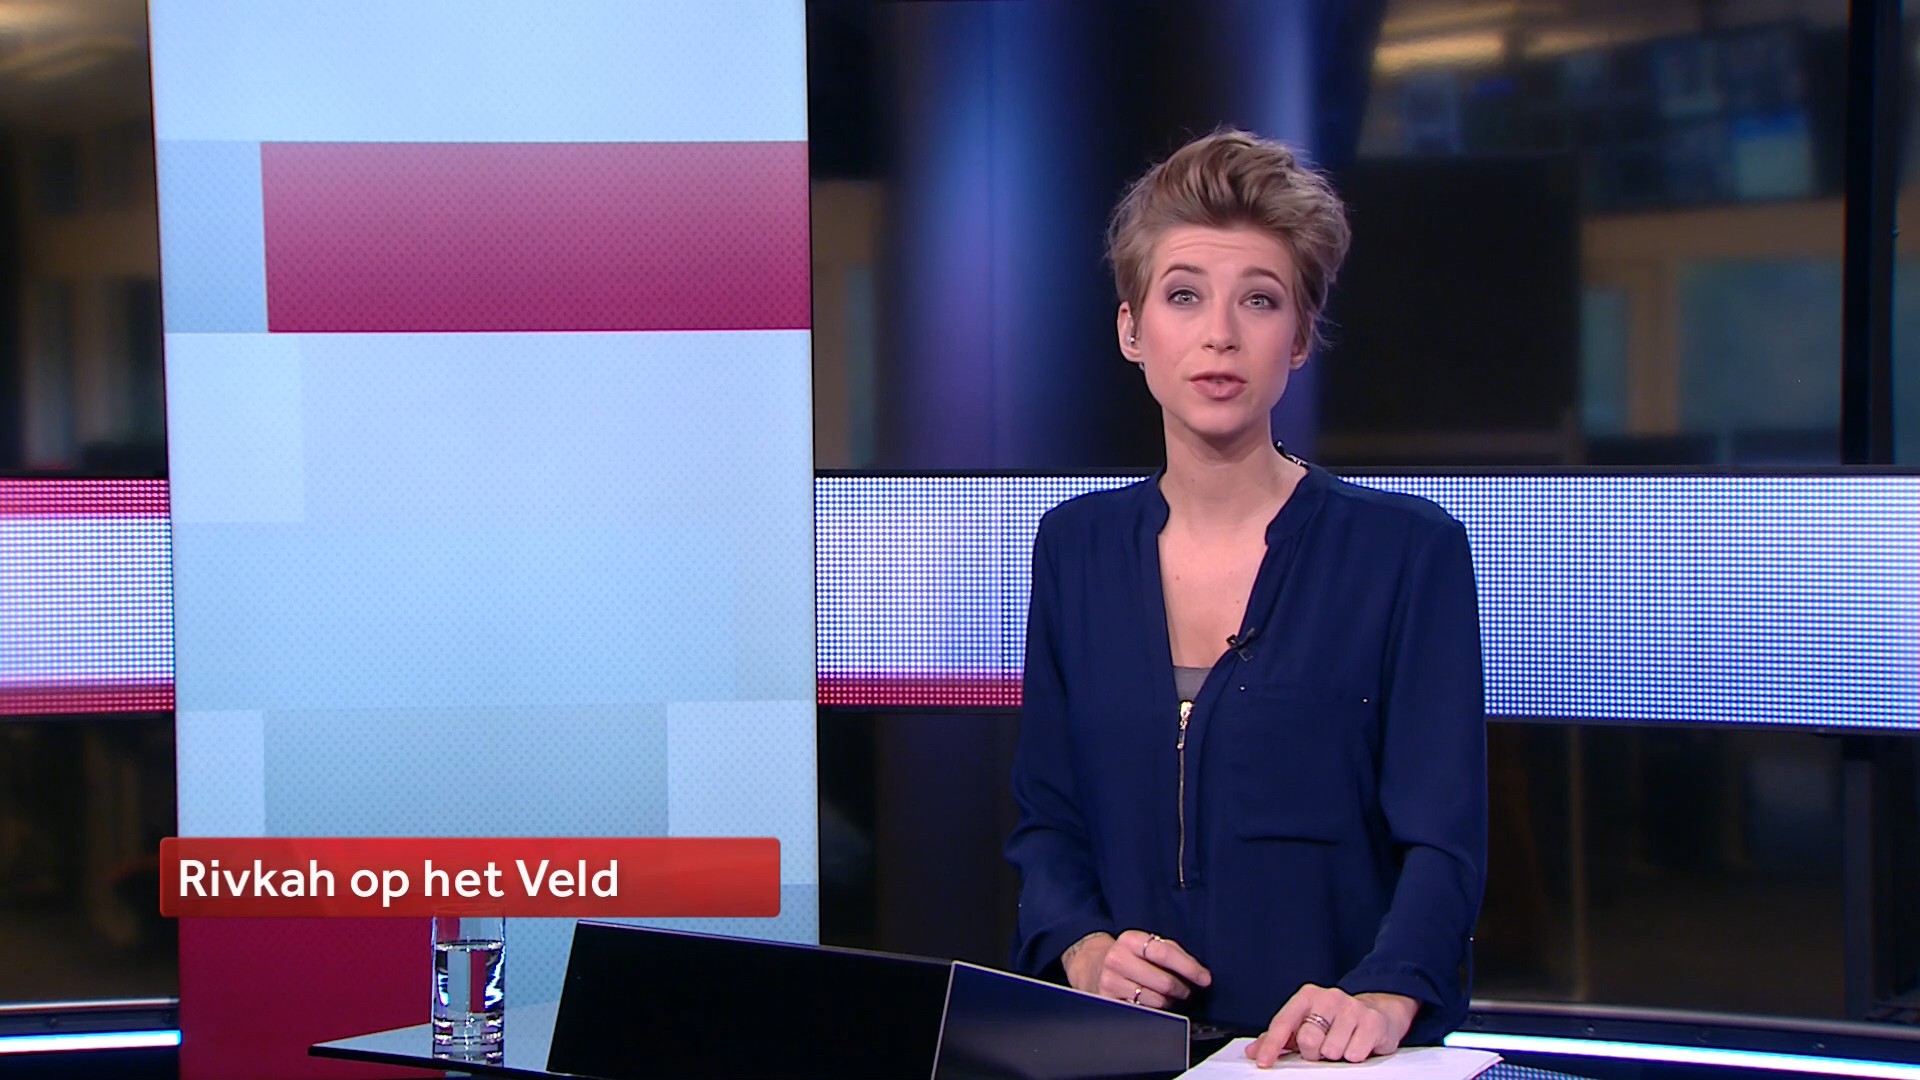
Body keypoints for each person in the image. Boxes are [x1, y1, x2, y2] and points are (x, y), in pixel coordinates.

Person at [1005, 129, 1487, 1066]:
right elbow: (1048, 820)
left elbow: (1444, 841)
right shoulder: (1075, 548)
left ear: (1298, 338)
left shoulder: (1405, 552)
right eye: (1184, 295)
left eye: (1259, 300)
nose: (1220, 333)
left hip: (1323, 1057)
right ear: (1132, 330)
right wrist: (1085, 948)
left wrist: (1385, 994)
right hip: (1121, 1051)